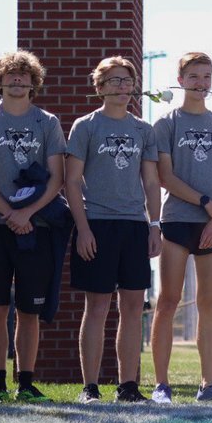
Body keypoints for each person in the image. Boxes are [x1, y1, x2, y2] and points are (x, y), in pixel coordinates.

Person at [0, 50, 65, 403]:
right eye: (10, 75)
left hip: (36, 226)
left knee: (30, 311)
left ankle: (26, 382)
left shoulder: (47, 122)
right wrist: (10, 213)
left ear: (33, 81)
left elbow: (57, 178)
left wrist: (27, 214)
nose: (17, 80)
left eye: (24, 75)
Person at [65, 56, 162, 403]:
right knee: (97, 307)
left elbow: (152, 183)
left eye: (127, 81)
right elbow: (72, 182)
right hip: (97, 225)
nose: (122, 87)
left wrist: (154, 225)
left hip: (135, 227)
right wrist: (83, 228)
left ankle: (128, 386)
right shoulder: (85, 126)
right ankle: (90, 388)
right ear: (100, 86)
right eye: (114, 81)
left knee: (133, 308)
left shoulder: (143, 130)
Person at [150, 52, 212, 403]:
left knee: (209, 304)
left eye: (206, 76)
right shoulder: (167, 124)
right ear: (181, 80)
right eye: (193, 76)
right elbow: (165, 176)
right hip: (178, 221)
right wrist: (207, 206)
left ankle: (209, 385)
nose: (201, 83)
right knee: (168, 301)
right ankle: (162, 385)